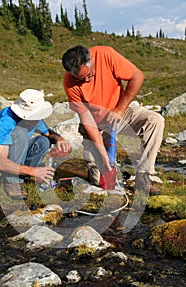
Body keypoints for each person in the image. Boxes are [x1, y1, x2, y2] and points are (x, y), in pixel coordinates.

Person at [62, 45, 165, 195]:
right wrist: (104, 156)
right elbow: (86, 119)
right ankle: (104, 168)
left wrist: (120, 109)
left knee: (155, 120)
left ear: (90, 59)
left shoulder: (105, 54)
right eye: (81, 78)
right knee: (100, 181)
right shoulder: (69, 83)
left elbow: (137, 76)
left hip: (122, 114)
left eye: (89, 75)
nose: (86, 80)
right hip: (97, 126)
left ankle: (144, 176)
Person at [0, 89, 71, 200]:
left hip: (12, 156)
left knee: (43, 141)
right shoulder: (7, 121)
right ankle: (13, 182)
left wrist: (60, 139)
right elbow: (0, 162)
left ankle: (24, 175)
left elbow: (48, 133)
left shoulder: (35, 118)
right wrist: (34, 171)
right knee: (20, 133)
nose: (38, 121)